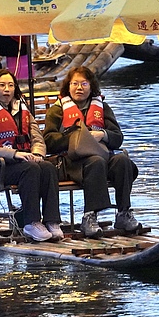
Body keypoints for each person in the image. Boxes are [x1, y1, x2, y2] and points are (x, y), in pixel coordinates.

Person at [43, 67, 140, 237]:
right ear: (68, 86)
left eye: (84, 83)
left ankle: (123, 212)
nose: (79, 88)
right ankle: (89, 216)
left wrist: (102, 134)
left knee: (123, 161)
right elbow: (48, 141)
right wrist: (76, 138)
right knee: (96, 162)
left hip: (101, 155)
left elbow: (118, 138)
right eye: (75, 83)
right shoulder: (57, 110)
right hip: (70, 161)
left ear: (91, 86)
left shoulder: (102, 108)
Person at [0, 69, 64, 242]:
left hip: (26, 163)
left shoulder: (23, 112)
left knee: (47, 167)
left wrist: (37, 153)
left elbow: (37, 137)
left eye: (10, 85)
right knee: (29, 169)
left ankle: (52, 221)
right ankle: (32, 222)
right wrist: (15, 154)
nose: (7, 89)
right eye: (2, 85)